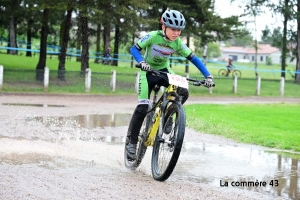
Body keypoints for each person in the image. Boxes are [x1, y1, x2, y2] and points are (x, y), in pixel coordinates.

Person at [126, 9, 215, 160]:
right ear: (163, 27)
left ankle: (168, 115)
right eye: (173, 29)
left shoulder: (178, 43)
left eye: (179, 30)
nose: (176, 33)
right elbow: (134, 49)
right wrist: (141, 62)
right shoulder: (153, 36)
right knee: (142, 107)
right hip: (147, 72)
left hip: (164, 71)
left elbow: (194, 59)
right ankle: (132, 142)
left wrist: (208, 76)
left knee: (183, 90)